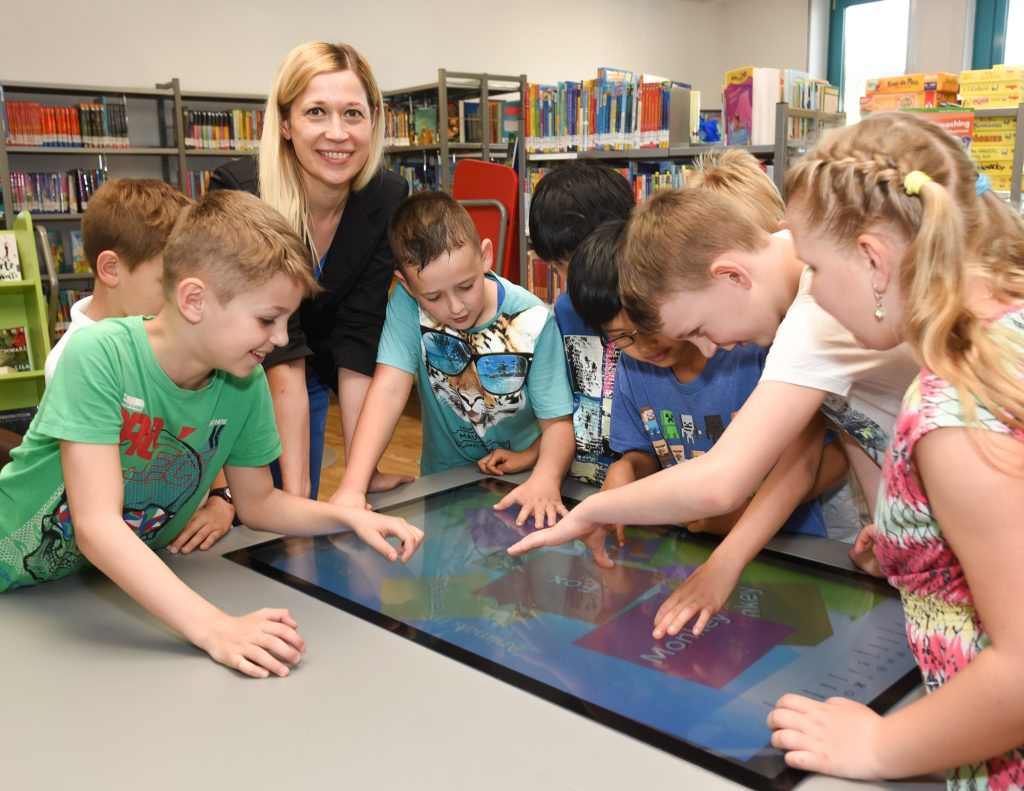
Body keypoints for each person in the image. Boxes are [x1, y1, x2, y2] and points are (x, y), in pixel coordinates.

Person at [0, 190, 423, 678]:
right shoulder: (99, 355)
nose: (283, 339)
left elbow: (260, 503)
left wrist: (347, 519)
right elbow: (97, 526)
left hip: (82, 591)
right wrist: (214, 628)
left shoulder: (243, 380)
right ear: (194, 299)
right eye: (267, 319)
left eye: (288, 320)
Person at [509, 184, 919, 636]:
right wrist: (893, 528)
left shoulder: (812, 322)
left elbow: (722, 483)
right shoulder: (794, 259)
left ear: (731, 275)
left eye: (700, 328)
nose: (708, 346)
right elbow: (857, 425)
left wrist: (593, 511)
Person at [767, 113, 1024, 788]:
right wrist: (920, 550)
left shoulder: (955, 413)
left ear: (875, 259)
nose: (814, 291)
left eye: (816, 267)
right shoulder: (1007, 329)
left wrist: (881, 745)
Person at [209, 41, 412, 499]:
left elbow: (361, 330)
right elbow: (280, 346)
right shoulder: (240, 192)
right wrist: (299, 510)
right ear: (285, 122)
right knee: (263, 510)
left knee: (304, 498)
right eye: (316, 112)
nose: (337, 133)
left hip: (313, 376)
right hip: (242, 379)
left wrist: (362, 475)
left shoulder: (386, 196)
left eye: (353, 114)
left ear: (374, 120)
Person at [571, 218, 829, 544]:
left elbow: (828, 458)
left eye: (648, 326)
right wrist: (628, 469)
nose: (645, 346)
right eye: (623, 338)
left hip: (791, 546)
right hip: (690, 545)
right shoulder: (633, 369)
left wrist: (742, 512)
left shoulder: (752, 341)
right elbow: (644, 452)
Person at [331, 191, 574, 527]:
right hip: (442, 483)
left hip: (524, 479)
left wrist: (546, 479)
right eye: (433, 297)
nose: (456, 307)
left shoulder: (532, 318)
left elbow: (559, 425)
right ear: (406, 285)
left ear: (486, 257)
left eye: (465, 286)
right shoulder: (406, 302)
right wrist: (353, 486)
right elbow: (388, 390)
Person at [45, 178, 234, 556]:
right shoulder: (77, 360)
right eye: (167, 279)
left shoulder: (167, 334)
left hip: (181, 540)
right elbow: (103, 518)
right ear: (111, 269)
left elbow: (200, 426)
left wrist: (221, 498)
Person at [513, 163, 635, 487]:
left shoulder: (650, 319)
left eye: (571, 265)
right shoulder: (566, 311)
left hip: (640, 494)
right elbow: (566, 407)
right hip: (577, 488)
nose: (569, 282)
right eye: (557, 267)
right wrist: (534, 452)